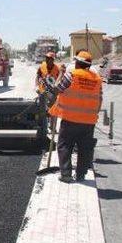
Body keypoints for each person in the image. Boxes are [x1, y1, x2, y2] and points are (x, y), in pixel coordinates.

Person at [49, 50, 103, 183]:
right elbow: (100, 99)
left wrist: (61, 73)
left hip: (70, 119)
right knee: (85, 148)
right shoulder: (97, 79)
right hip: (89, 122)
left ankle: (66, 174)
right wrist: (93, 115)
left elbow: (58, 89)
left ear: (78, 63)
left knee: (65, 145)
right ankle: (81, 175)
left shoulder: (71, 74)